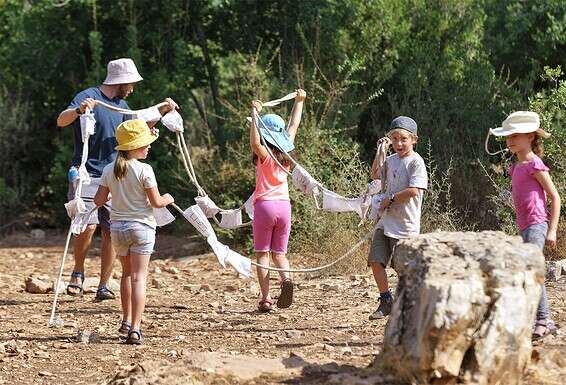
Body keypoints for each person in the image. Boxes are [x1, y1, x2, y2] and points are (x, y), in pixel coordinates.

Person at [57, 58, 177, 300]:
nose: (133, 88)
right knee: (86, 227)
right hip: (86, 173)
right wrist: (79, 109)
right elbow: (61, 120)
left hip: (114, 174)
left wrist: (162, 112)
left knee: (111, 230)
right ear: (121, 81)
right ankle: (78, 271)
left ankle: (103, 284)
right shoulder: (88, 95)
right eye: (131, 83)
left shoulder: (122, 106)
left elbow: (135, 131)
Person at [94, 119, 174, 344]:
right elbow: (157, 202)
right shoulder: (145, 169)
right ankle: (136, 329)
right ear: (135, 147)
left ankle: (126, 320)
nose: (149, 146)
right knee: (139, 278)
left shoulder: (110, 169)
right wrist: (169, 198)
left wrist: (113, 194)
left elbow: (99, 201)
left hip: (118, 229)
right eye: (145, 144)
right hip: (141, 228)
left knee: (126, 275)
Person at [489, 111, 560, 340]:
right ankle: (535, 318)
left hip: (537, 225)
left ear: (530, 136)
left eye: (515, 135)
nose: (510, 140)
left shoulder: (534, 164)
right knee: (528, 271)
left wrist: (552, 229)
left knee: (532, 272)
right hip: (524, 226)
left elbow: (555, 197)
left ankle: (544, 319)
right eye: (508, 136)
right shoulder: (516, 167)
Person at [249, 89, 306, 312]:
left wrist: (254, 114)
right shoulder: (286, 155)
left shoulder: (265, 154)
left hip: (264, 206)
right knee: (279, 254)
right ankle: (286, 280)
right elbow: (293, 124)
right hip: (284, 206)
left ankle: (265, 298)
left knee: (262, 254)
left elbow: (255, 143)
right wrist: (299, 102)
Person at [368, 116, 428, 320]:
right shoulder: (391, 160)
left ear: (414, 140)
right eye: (394, 139)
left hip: (405, 224)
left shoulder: (416, 162)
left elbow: (414, 190)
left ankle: (413, 306)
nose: (398, 144)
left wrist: (391, 198)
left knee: (404, 267)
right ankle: (385, 300)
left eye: (403, 139)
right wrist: (380, 151)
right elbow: (375, 174)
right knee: (376, 260)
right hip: (385, 222)